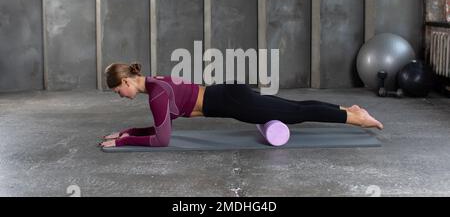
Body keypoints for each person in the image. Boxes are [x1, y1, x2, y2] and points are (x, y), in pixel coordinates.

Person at [100, 62, 383, 148]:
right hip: (230, 94)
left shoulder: (157, 94)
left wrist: (124, 142)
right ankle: (349, 111)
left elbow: (162, 139)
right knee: (293, 107)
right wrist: (127, 131)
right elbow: (163, 126)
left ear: (126, 81)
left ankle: (356, 118)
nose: (119, 96)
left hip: (234, 102)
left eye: (117, 91)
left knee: (295, 112)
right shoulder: (155, 83)